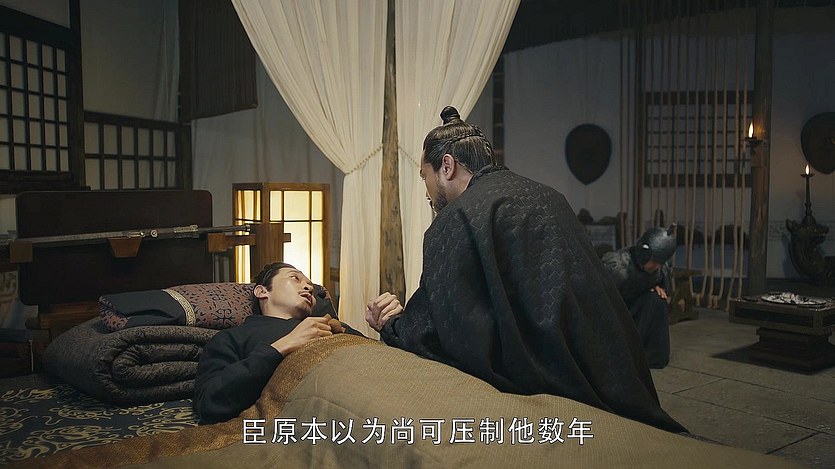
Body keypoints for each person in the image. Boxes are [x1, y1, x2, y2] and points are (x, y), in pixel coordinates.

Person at [366, 106, 685, 433]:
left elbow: (447, 331)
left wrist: (392, 324)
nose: (427, 192)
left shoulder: (456, 218)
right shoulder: (549, 196)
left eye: (425, 177)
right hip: (606, 371)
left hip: (544, 385)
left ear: (447, 166)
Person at [193, 262, 365, 424]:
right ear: (262, 291)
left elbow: (375, 355)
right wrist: (281, 347)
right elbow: (208, 402)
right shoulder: (233, 337)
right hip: (334, 404)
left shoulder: (332, 326)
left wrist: (380, 326)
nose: (309, 288)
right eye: (295, 278)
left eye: (310, 286)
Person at [602, 226, 677, 369]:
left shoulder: (660, 268)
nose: (656, 267)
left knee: (656, 301)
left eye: (659, 263)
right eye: (654, 261)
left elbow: (661, 285)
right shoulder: (618, 267)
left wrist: (656, 287)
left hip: (637, 309)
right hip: (615, 312)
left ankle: (651, 357)